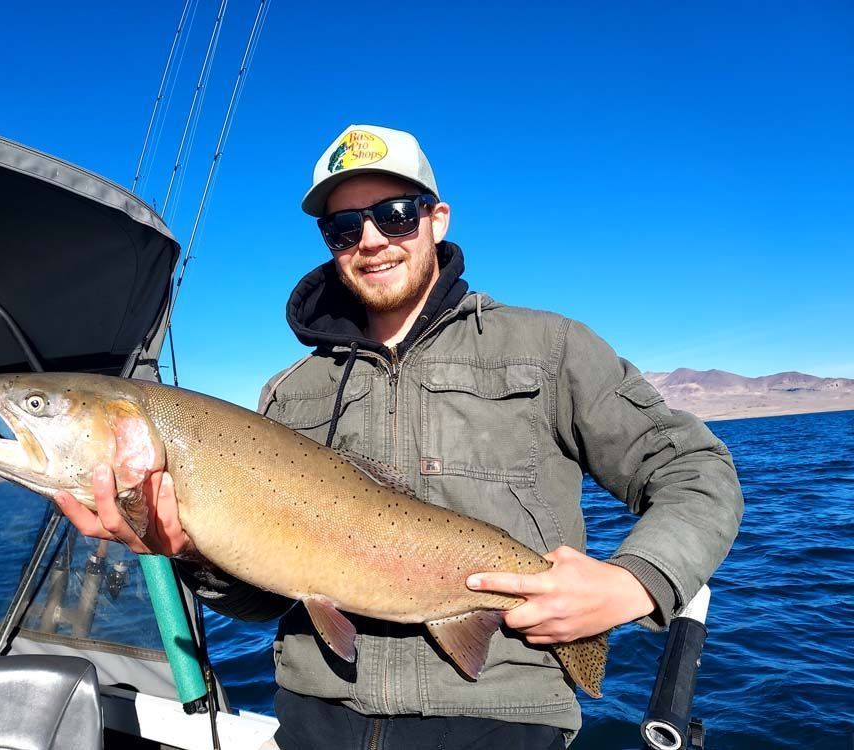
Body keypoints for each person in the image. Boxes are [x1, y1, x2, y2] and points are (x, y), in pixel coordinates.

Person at [55, 124, 744, 749]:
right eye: (344, 227)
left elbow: (696, 470)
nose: (372, 240)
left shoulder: (550, 347)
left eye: (393, 214)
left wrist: (636, 582)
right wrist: (190, 555)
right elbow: (266, 597)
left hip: (498, 721)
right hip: (313, 716)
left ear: (436, 219)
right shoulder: (287, 393)